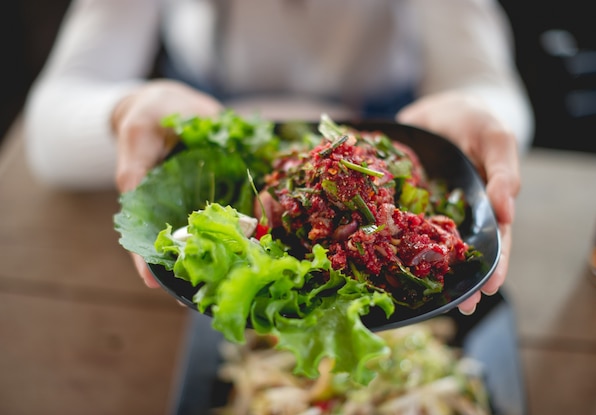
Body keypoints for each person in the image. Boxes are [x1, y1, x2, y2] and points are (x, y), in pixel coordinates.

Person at [23, 0, 534, 315]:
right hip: (229, 130)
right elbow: (46, 132)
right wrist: (129, 108)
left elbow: (493, 87)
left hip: (390, 126)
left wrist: (474, 113)